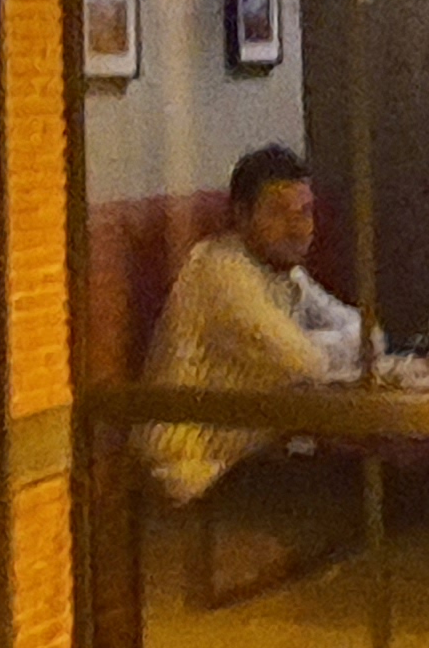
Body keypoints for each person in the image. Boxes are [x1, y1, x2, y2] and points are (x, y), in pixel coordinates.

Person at [141, 145, 363, 503]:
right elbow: (305, 363)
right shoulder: (222, 270)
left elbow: (366, 332)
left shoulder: (284, 271)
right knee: (368, 492)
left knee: (376, 483)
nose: (298, 228)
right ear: (241, 216)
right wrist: (330, 346)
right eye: (278, 212)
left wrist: (319, 344)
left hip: (249, 458)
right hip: (193, 474)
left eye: (305, 212)